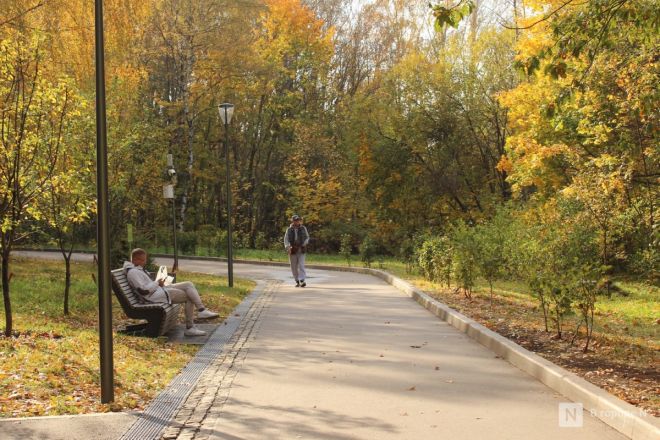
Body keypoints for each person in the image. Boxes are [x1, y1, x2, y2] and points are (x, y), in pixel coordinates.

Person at [123, 248, 219, 337]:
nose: (145, 262)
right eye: (143, 260)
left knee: (188, 284)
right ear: (135, 260)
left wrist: (158, 283)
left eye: (145, 259)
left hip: (159, 290)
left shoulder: (137, 270)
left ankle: (202, 310)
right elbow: (143, 291)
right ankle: (190, 328)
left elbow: (147, 285)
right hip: (154, 296)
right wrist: (157, 283)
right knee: (190, 297)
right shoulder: (133, 272)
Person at [284, 214, 309, 287]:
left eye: (298, 220)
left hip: (301, 249)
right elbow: (286, 239)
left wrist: (305, 243)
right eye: (295, 220)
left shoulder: (303, 228)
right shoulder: (289, 229)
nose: (297, 222)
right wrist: (288, 247)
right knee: (293, 266)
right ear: (293, 221)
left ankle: (302, 280)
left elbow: (307, 237)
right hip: (293, 249)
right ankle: (297, 280)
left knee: (301, 265)